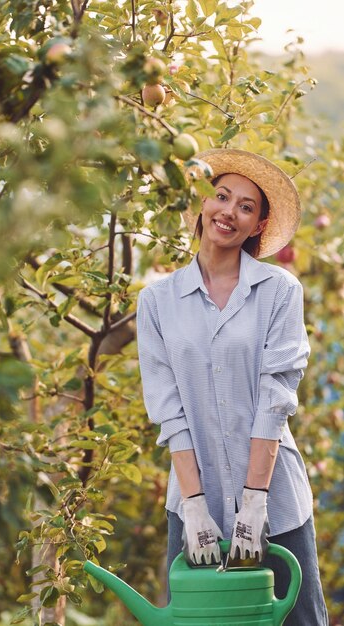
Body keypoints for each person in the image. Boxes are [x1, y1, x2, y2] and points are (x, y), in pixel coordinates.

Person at [136, 149, 328, 625]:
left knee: (298, 619)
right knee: (202, 619)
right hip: (192, 500)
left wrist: (254, 502)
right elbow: (168, 409)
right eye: (221, 197)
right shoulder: (158, 301)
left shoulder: (280, 291)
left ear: (259, 224)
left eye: (246, 206)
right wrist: (196, 506)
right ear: (203, 202)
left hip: (274, 502)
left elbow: (275, 398)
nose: (229, 212)